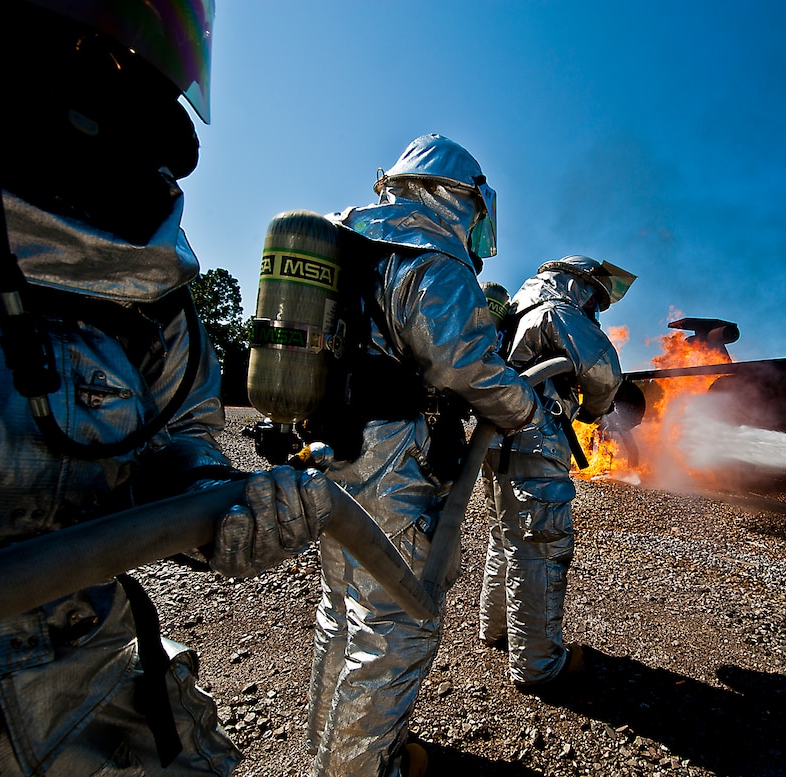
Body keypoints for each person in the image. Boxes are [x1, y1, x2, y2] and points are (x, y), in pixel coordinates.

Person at [0, 2, 334, 773]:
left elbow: (180, 437)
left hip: (89, 677)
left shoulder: (147, 284)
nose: (121, 64)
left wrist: (219, 502)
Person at [305, 134, 548, 777]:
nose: (475, 223)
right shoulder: (431, 255)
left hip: (336, 452)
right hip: (391, 459)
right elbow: (461, 359)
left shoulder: (353, 240)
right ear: (453, 194)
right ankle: (360, 769)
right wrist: (525, 407)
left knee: (342, 610)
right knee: (398, 621)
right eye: (474, 207)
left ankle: (333, 751)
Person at [478, 255, 635, 690]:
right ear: (579, 284)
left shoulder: (516, 312)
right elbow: (604, 368)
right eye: (596, 301)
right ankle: (539, 663)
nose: (595, 311)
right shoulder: (556, 309)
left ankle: (497, 631)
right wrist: (594, 409)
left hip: (495, 443)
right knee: (542, 547)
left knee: (504, 539)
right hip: (534, 437)